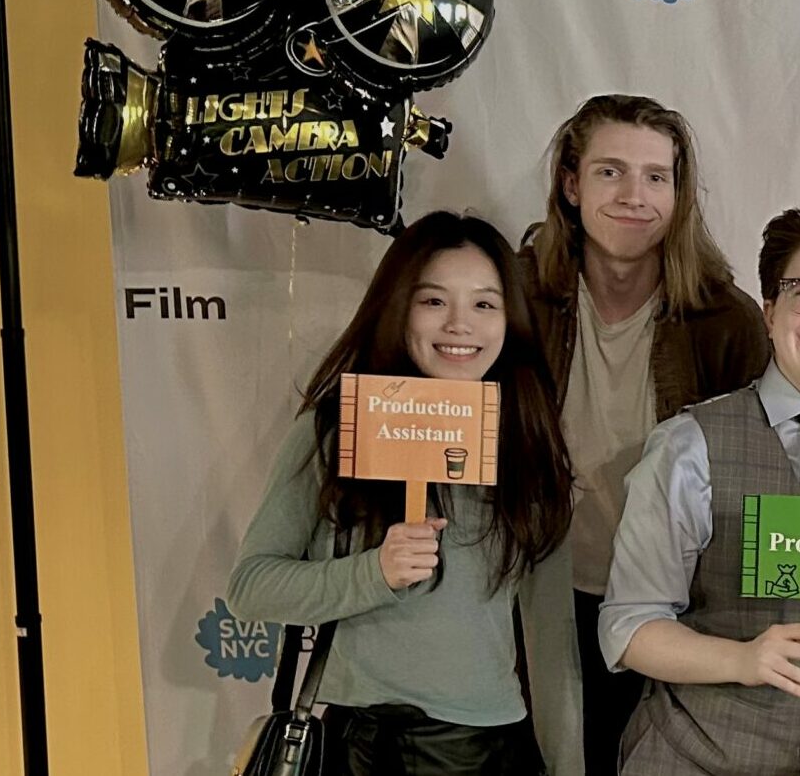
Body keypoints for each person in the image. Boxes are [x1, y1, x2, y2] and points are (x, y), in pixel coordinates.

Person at [227, 211, 580, 774]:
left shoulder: (528, 439)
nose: (460, 325)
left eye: (485, 304)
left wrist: (567, 761)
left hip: (485, 745)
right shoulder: (336, 429)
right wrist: (375, 572)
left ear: (509, 320)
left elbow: (551, 629)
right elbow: (252, 587)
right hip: (359, 744)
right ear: (399, 307)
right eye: (434, 301)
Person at [597, 202, 800, 773]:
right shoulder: (688, 446)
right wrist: (742, 658)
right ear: (769, 310)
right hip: (692, 756)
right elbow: (628, 627)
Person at [520, 93, 773, 773]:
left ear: (680, 192)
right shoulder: (515, 298)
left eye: (656, 177)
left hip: (673, 610)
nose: (635, 195)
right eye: (610, 172)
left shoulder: (726, 319)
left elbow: (762, 467)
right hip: (542, 592)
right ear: (571, 184)